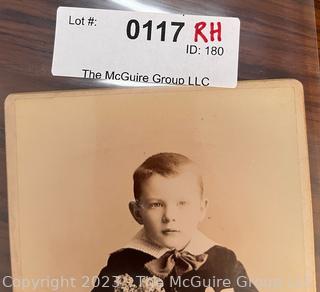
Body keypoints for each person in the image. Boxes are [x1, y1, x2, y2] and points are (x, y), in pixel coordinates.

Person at [92, 152, 258, 292]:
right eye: (156, 204)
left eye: (182, 203)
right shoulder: (123, 264)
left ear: (201, 209)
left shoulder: (223, 261)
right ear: (137, 213)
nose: (170, 216)